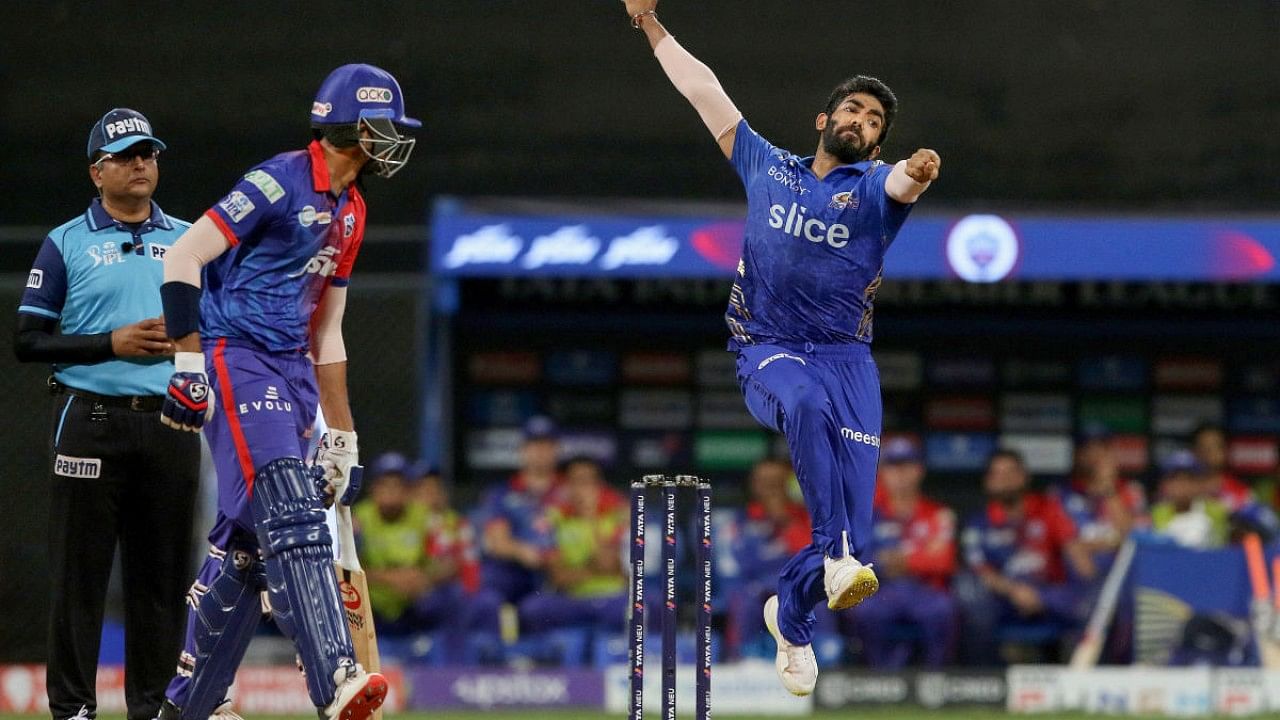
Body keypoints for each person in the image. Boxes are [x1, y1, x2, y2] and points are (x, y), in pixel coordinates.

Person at [620, 0, 940, 695]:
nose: (862, 122)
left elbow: (903, 181)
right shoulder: (767, 166)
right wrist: (649, 23)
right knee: (802, 407)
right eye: (853, 110)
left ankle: (790, 619)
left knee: (863, 547)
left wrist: (918, 169)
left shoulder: (876, 190)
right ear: (824, 121)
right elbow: (705, 90)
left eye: (877, 121)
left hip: (848, 360)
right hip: (767, 347)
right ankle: (830, 558)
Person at [152, 64, 418, 720]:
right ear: (354, 127)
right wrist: (188, 366)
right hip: (237, 357)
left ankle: (190, 707)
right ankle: (337, 677)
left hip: (294, 375)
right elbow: (182, 256)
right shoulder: (278, 180)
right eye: (385, 126)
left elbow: (328, 330)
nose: (395, 140)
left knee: (246, 547)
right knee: (292, 508)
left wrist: (344, 435)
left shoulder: (353, 210)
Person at [14, 109, 199, 720]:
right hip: (89, 419)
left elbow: (224, 324)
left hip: (171, 422)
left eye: (148, 152)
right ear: (98, 172)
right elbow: (27, 340)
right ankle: (72, 709)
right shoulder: (66, 242)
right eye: (125, 155)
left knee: (162, 581)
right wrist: (109, 344)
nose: (141, 163)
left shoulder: (190, 238)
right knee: (80, 579)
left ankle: (153, 708)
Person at [353, 454, 500, 661]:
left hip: (413, 601)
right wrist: (389, 578)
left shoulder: (426, 518)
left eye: (398, 486)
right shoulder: (358, 520)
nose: (391, 492)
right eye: (385, 485)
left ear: (408, 491)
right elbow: (344, 569)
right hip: (373, 603)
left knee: (451, 597)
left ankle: (451, 667)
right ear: (373, 489)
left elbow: (449, 562)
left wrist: (425, 577)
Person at [957, 450, 1096, 666]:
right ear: (988, 482)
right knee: (971, 598)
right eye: (997, 474)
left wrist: (1086, 577)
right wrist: (1015, 591)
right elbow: (982, 572)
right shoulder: (979, 523)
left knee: (1091, 605)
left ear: (1024, 477)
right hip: (1003, 597)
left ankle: (1082, 678)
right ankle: (985, 678)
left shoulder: (1048, 509)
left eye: (1010, 472)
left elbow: (1081, 563)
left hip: (1047, 593)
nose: (1004, 480)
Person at [848, 438, 957, 669]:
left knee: (943, 609)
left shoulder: (938, 514)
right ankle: (880, 677)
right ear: (883, 472)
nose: (900, 474)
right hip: (882, 591)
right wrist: (915, 558)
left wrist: (903, 561)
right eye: (893, 466)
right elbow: (860, 561)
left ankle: (935, 677)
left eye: (906, 466)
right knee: (864, 611)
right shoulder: (868, 515)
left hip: (925, 591)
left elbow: (944, 561)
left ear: (919, 470)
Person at [517, 458, 629, 641]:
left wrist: (591, 518)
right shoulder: (552, 519)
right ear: (566, 486)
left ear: (598, 485)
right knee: (533, 609)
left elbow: (609, 563)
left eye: (588, 482)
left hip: (612, 598)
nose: (582, 489)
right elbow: (559, 576)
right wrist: (596, 570)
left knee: (645, 606)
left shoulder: (618, 516)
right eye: (576, 482)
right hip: (572, 599)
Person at [725, 459, 812, 659]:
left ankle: (823, 659)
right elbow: (740, 562)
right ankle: (741, 658)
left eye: (776, 483)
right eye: (765, 483)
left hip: (797, 586)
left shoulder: (802, 517)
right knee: (745, 600)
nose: (771, 490)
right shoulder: (742, 519)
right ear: (754, 486)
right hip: (754, 586)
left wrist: (783, 520)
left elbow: (810, 554)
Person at [474, 416, 563, 605]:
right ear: (522, 450)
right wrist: (523, 552)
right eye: (534, 445)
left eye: (546, 445)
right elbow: (498, 541)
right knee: (491, 583)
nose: (540, 452)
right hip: (517, 572)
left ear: (556, 450)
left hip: (561, 569)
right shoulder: (502, 493)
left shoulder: (570, 491)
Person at [1150, 450, 1229, 549]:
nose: (1182, 485)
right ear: (1166, 485)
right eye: (1176, 479)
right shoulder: (1157, 514)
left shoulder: (1216, 511)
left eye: (1189, 479)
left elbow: (1222, 549)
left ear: (1199, 484)